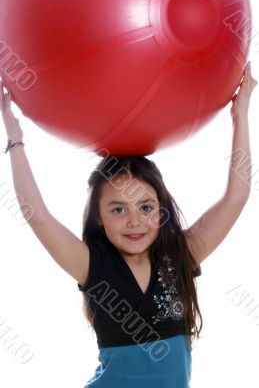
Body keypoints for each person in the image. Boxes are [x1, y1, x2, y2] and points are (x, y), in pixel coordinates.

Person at [0, 62, 257, 388]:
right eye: (118, 209)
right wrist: (15, 137)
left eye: (146, 207)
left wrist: (241, 116)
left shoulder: (181, 255)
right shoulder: (91, 265)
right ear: (99, 217)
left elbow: (236, 197)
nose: (134, 221)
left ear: (161, 210)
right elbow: (36, 212)